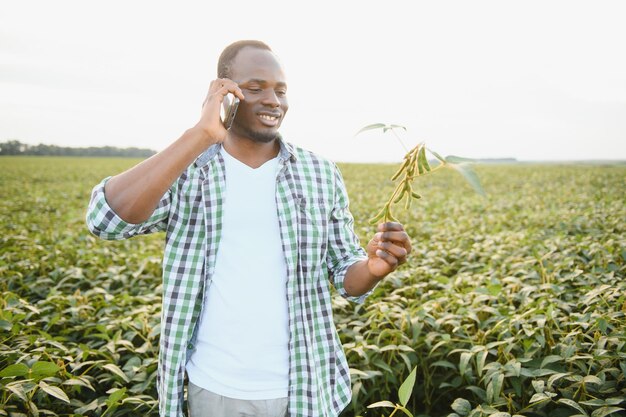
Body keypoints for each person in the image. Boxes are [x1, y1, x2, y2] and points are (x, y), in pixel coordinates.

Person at [86, 40, 412, 417]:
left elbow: (344, 274)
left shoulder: (319, 173)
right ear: (224, 92)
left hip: (307, 387)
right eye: (255, 88)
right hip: (216, 390)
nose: (273, 100)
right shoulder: (190, 171)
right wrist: (202, 134)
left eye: (281, 90)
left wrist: (373, 269)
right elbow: (104, 221)